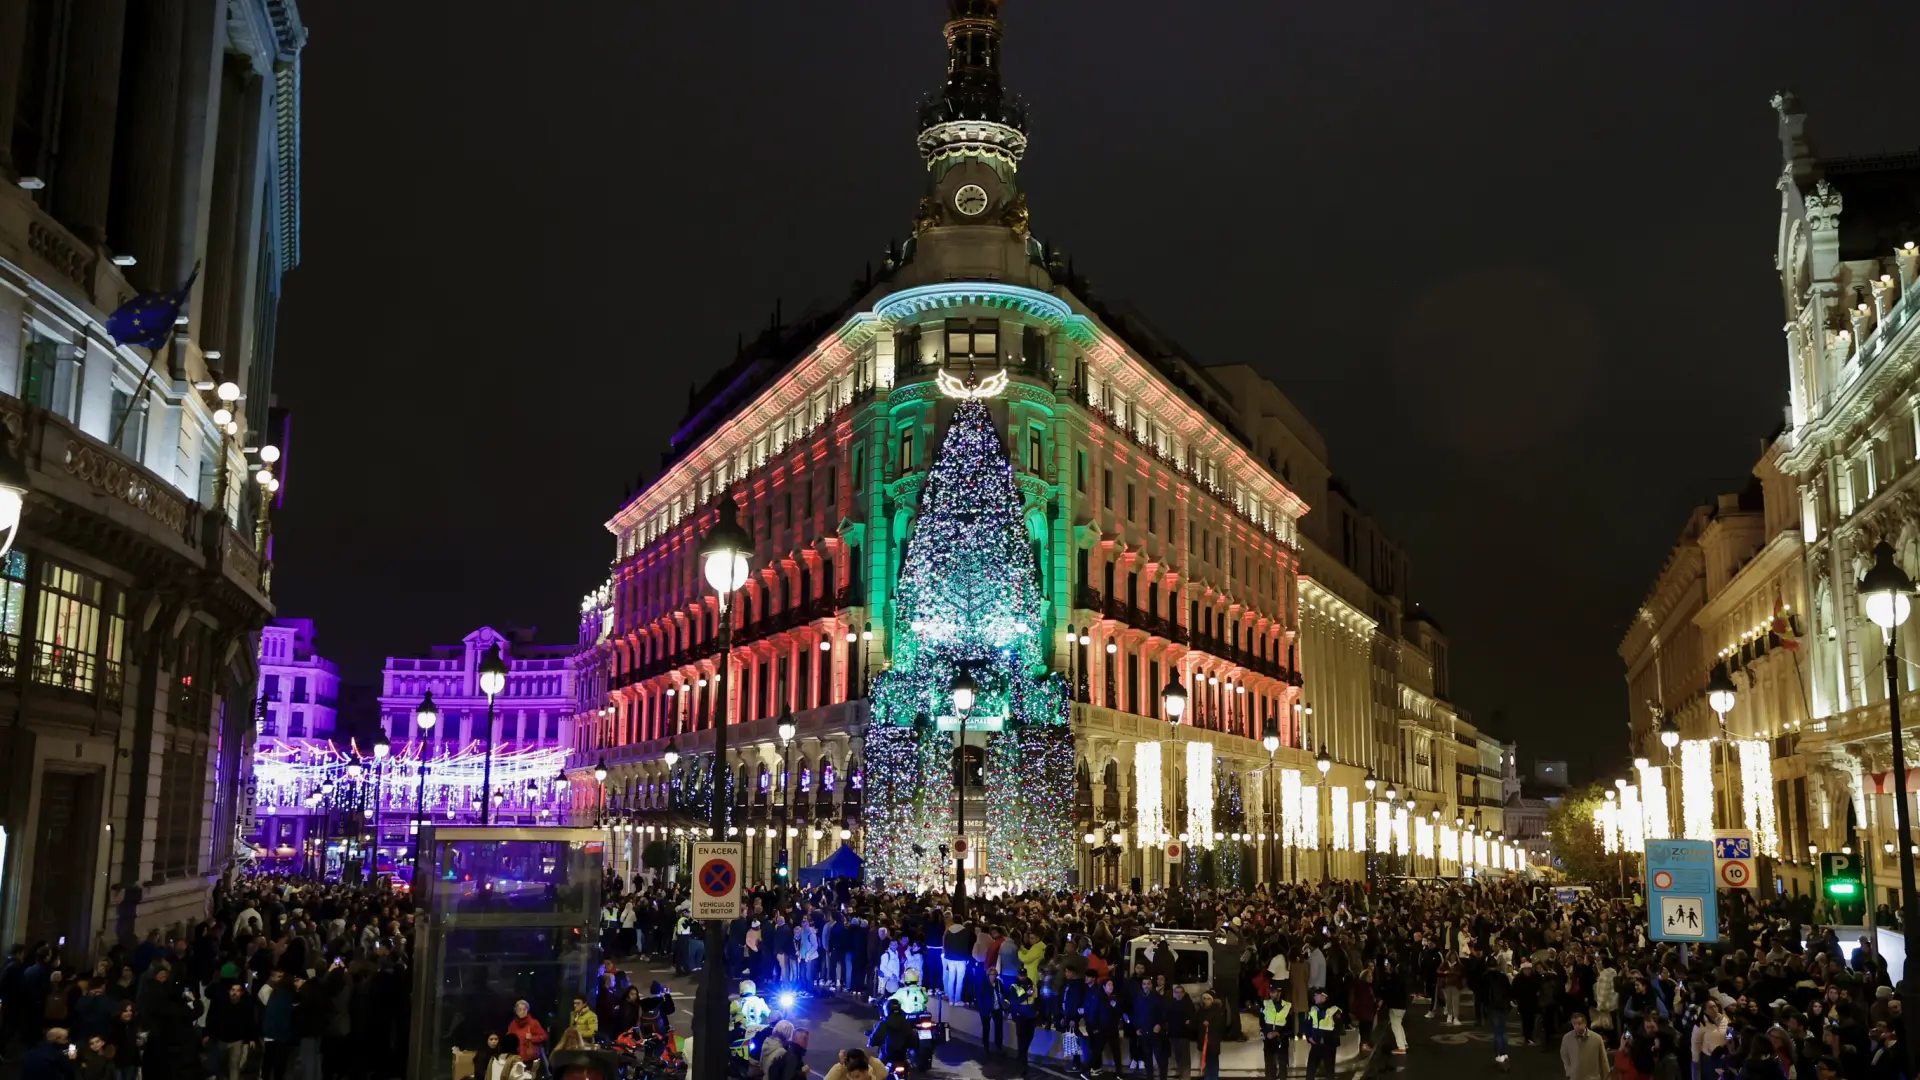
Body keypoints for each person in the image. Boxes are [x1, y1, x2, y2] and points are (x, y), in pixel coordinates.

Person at [1303, 987, 1342, 1080]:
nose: (1314, 997)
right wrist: (1309, 1037)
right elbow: (1307, 1024)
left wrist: (1331, 1040)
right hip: (1315, 1044)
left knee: (1329, 1071)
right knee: (1310, 1071)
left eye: (1316, 995)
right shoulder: (1313, 1009)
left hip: (1329, 1044)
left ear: (1323, 997)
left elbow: (1339, 1027)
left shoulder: (1334, 1010)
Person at [1260, 982, 1294, 1080]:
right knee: (1270, 1069)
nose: (1271, 994)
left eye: (1273, 992)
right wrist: (1266, 1034)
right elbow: (1262, 1023)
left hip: (1281, 1040)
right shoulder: (1265, 1004)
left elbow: (1291, 1028)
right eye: (1270, 992)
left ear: (1279, 993)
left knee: (1282, 1067)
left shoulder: (1287, 1007)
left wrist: (1278, 1033)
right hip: (1269, 1041)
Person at [1561, 1013, 1610, 1080]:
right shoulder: (1567, 1038)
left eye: (1579, 1023)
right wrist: (1569, 1071)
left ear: (1585, 1023)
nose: (1577, 1026)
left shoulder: (1597, 1038)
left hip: (1593, 1077)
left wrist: (1606, 1076)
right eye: (1574, 1024)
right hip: (1576, 1077)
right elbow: (1564, 1055)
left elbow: (1603, 1059)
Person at [1484, 959, 1514, 1066]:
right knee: (1503, 1030)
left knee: (1497, 1032)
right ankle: (1504, 1053)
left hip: (1493, 1007)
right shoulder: (1503, 977)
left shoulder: (1485, 978)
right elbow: (1510, 991)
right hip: (1503, 1007)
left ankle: (1500, 1054)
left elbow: (1482, 995)